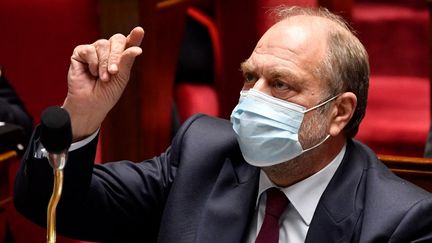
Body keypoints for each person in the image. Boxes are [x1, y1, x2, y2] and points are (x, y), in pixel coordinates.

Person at [14, 6, 432, 243]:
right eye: (250, 77)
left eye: (281, 85)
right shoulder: (204, 153)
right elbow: (51, 205)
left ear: (339, 112)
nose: (253, 98)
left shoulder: (400, 223)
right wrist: (82, 115)